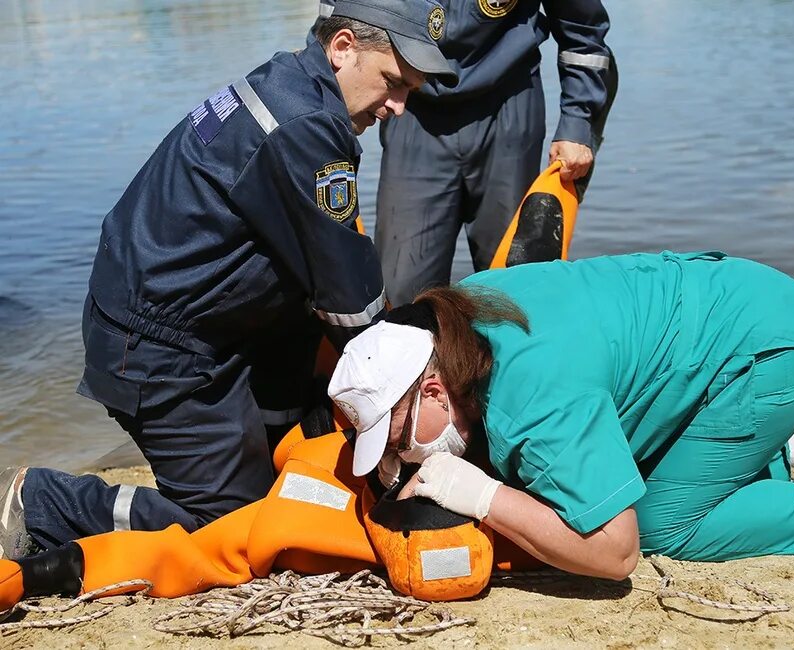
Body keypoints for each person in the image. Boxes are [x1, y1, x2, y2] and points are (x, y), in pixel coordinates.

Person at [0, 0, 458, 561]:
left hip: (206, 321)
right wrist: (419, 369)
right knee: (233, 527)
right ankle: (44, 503)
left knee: (276, 476)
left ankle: (256, 454)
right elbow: (353, 300)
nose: (399, 106)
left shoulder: (292, 85)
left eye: (410, 89)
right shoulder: (308, 124)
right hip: (160, 348)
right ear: (343, 47)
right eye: (393, 82)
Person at [326, 251, 794, 579]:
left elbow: (617, 554)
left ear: (436, 390)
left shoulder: (530, 400)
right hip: (735, 302)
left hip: (765, 352)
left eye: (397, 440)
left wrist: (481, 495)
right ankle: (788, 439)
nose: (398, 461)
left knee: (662, 525)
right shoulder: (455, 315)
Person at [367, 0, 619, 305]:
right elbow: (338, 25)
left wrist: (578, 120)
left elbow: (582, 28)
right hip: (412, 106)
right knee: (402, 292)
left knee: (515, 291)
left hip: (508, 108)